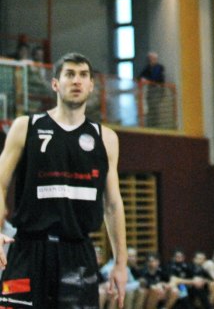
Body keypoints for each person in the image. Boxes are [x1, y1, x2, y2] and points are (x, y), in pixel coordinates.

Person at [0, 52, 128, 309]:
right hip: (27, 251)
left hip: (77, 255)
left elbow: (112, 205)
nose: (76, 80)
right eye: (69, 74)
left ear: (91, 86)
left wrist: (121, 263)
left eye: (83, 75)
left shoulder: (106, 139)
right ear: (55, 84)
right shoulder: (26, 127)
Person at [138, 52, 166, 128]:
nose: (150, 60)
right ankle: (150, 125)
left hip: (156, 89)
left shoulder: (159, 68)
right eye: (149, 59)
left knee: (155, 107)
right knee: (150, 107)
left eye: (152, 58)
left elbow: (156, 78)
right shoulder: (148, 68)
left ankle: (156, 125)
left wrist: (148, 80)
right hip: (150, 90)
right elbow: (141, 76)